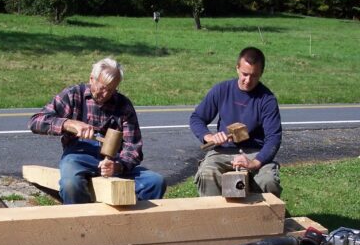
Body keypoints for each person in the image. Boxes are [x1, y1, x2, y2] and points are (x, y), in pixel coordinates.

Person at [28, 57, 166, 204]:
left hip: (113, 160)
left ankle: (127, 223)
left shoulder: (123, 105)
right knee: (70, 184)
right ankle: (82, 222)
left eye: (112, 90)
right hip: (78, 158)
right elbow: (36, 121)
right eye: (103, 88)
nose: (106, 94)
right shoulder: (73, 95)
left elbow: (133, 147)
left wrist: (118, 166)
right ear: (92, 79)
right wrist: (69, 124)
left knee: (155, 182)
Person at [190, 47, 282, 197]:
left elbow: (274, 138)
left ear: (261, 73)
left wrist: (254, 163)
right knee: (207, 173)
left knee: (268, 181)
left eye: (254, 76)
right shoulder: (221, 90)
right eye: (245, 74)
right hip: (223, 151)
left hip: (255, 152)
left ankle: (265, 218)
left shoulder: (267, 99)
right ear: (237, 68)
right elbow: (197, 118)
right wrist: (209, 137)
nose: (248, 80)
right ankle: (214, 218)